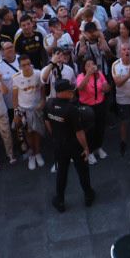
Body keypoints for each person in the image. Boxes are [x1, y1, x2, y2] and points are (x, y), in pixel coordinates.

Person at [44, 78, 95, 214]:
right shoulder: (72, 109)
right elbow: (79, 132)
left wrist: (55, 136)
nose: (72, 92)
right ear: (62, 92)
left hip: (59, 145)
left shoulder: (49, 103)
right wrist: (86, 147)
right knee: (82, 171)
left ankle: (60, 200)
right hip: (74, 145)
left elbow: (47, 122)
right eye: (69, 90)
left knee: (62, 172)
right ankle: (88, 195)